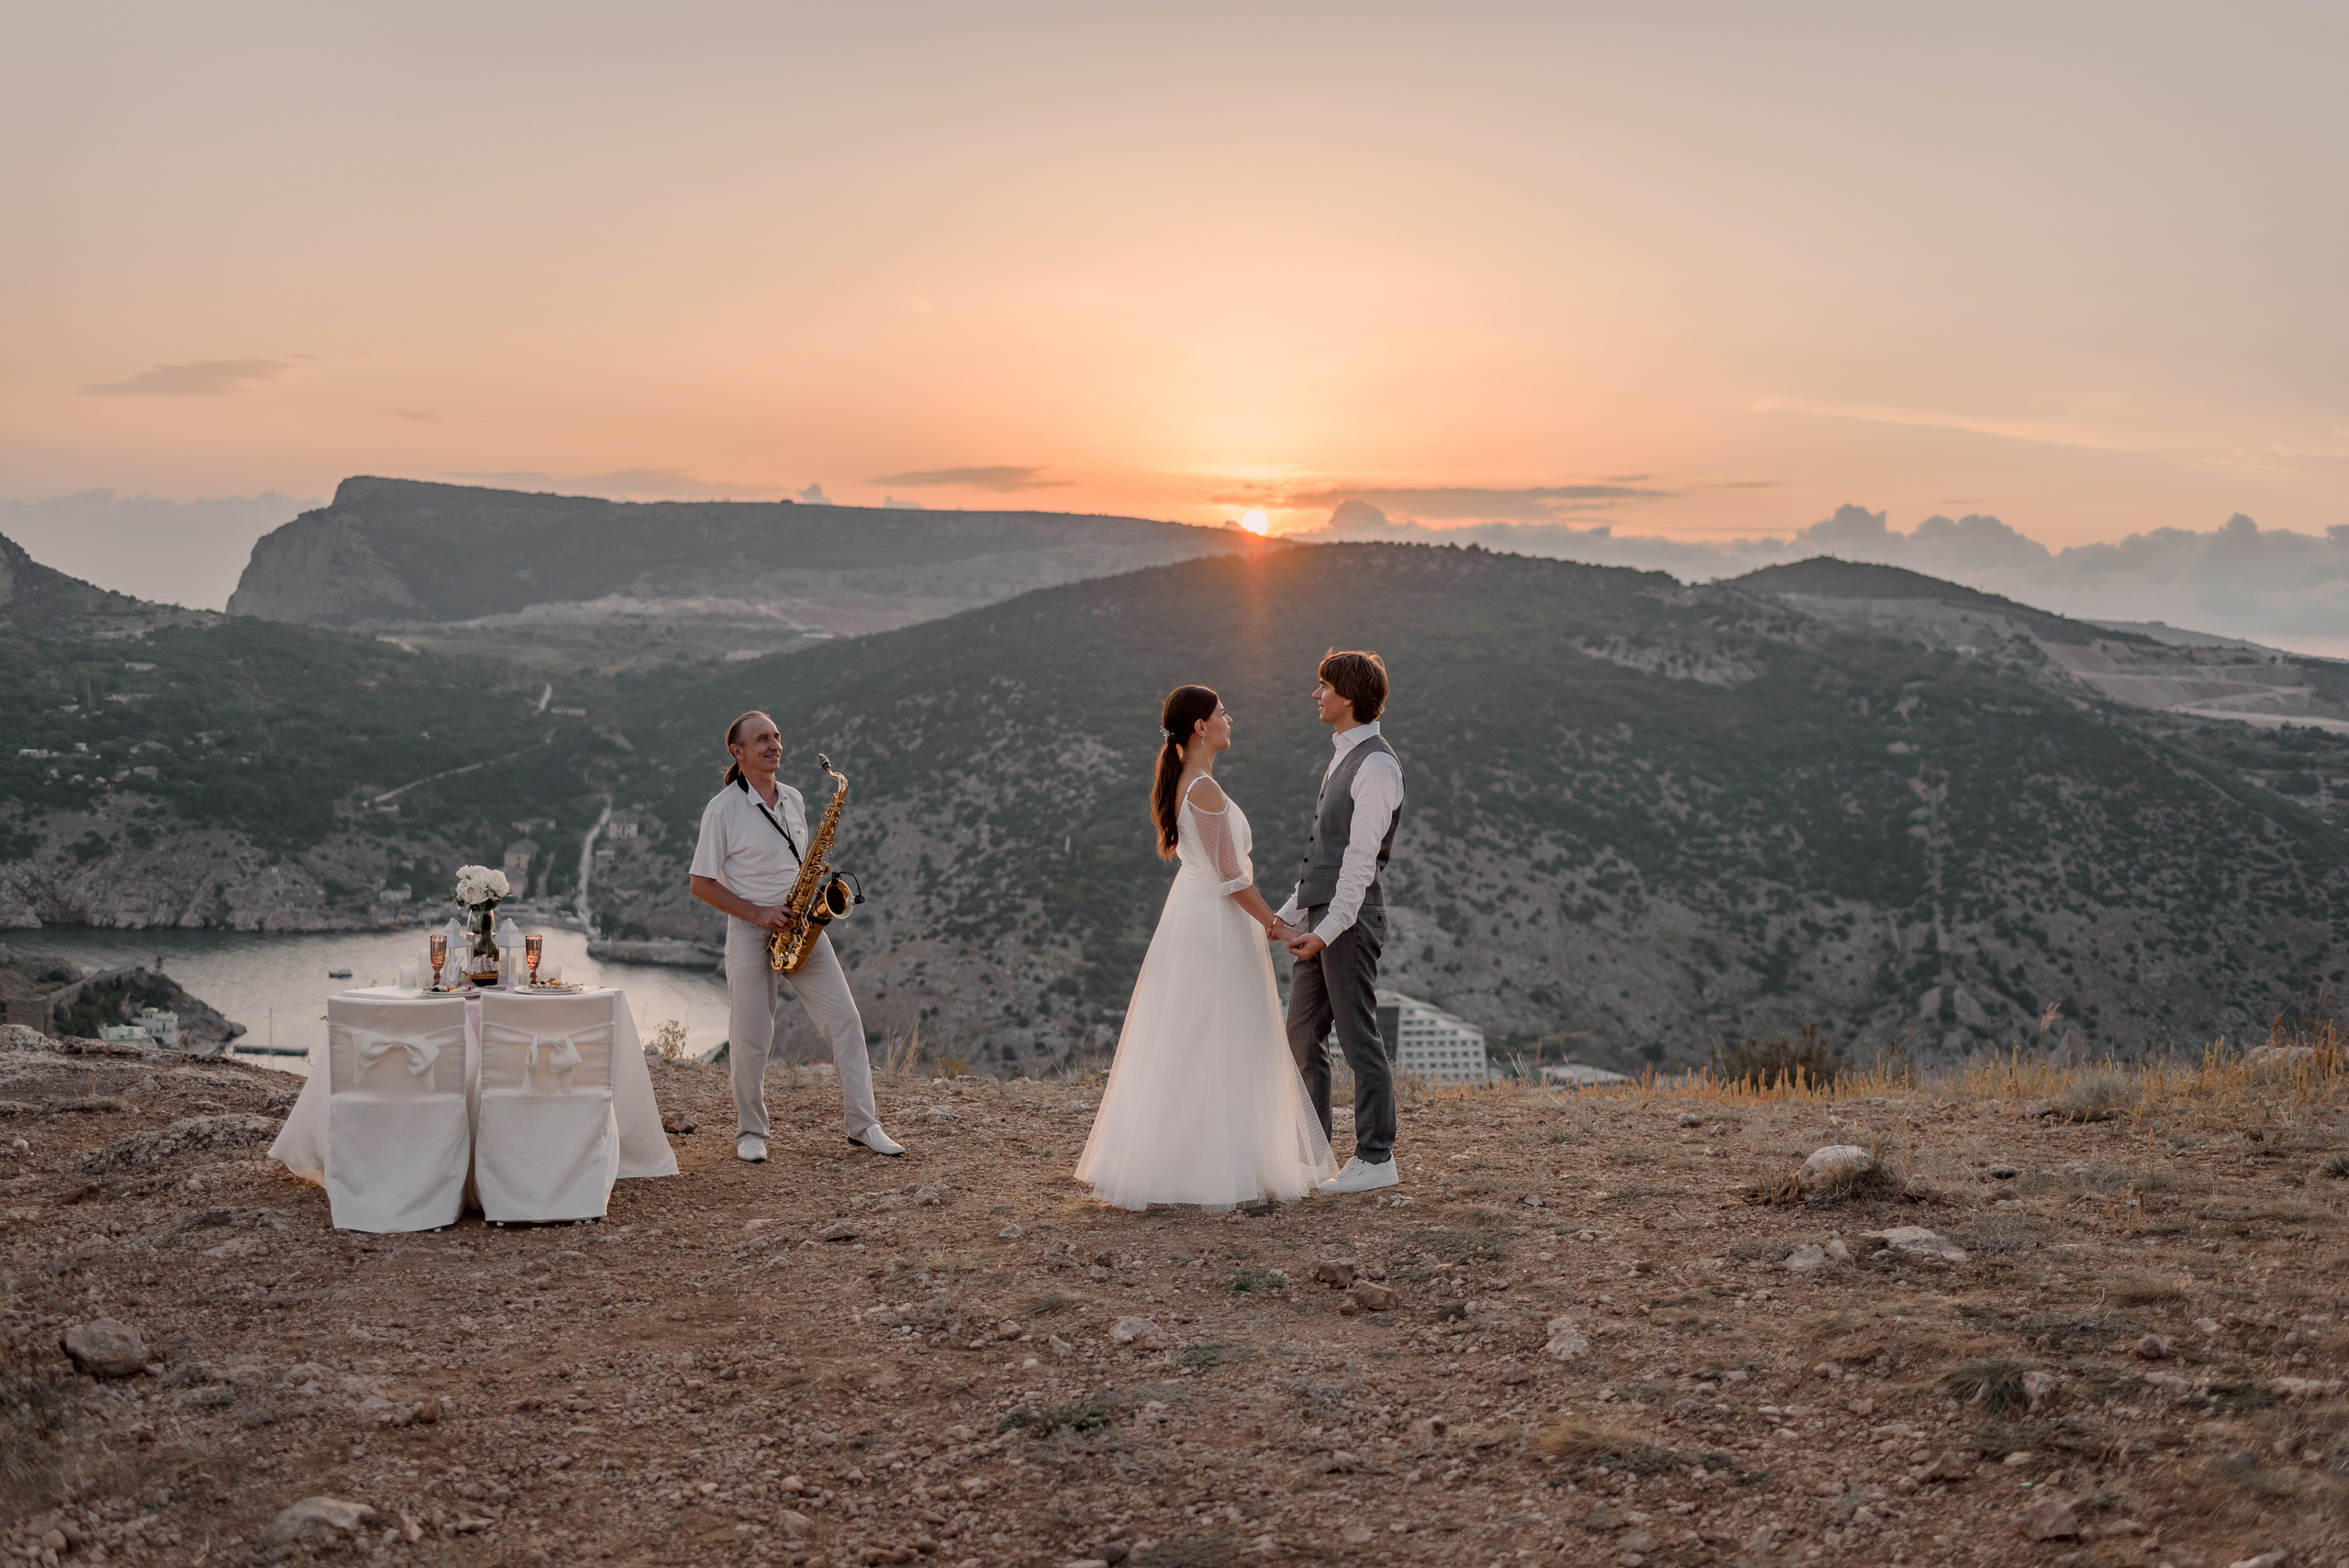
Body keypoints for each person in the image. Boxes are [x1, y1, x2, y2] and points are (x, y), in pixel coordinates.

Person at [1074, 684, 1335, 1209]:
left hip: (1198, 915)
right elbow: (1231, 877)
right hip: (1214, 923)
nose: (1229, 720)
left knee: (1197, 1035)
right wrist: (1279, 926)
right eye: (1222, 713)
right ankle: (1210, 1166)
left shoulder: (1187, 783)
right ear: (1200, 727)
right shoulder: (1204, 790)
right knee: (1218, 1033)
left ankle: (1192, 1159)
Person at [688, 710, 902, 1162]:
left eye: (777, 736)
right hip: (751, 929)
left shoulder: (795, 799)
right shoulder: (722, 810)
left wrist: (812, 883)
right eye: (762, 739)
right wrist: (760, 913)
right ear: (738, 752)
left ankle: (864, 1125)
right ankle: (751, 1132)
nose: (774, 745)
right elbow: (701, 884)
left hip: (802, 924)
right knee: (751, 1037)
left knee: (845, 1020)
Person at [1273, 650, 1405, 1194]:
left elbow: (1358, 866)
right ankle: (1312, 1155)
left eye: (1323, 686)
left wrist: (1323, 934)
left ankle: (1376, 1158)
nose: (1316, 694)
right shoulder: (1345, 756)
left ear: (1347, 697)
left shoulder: (1377, 766)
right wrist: (1281, 916)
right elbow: (1322, 858)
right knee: (1303, 1033)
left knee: (1357, 1036)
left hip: (1348, 920)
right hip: (1321, 919)